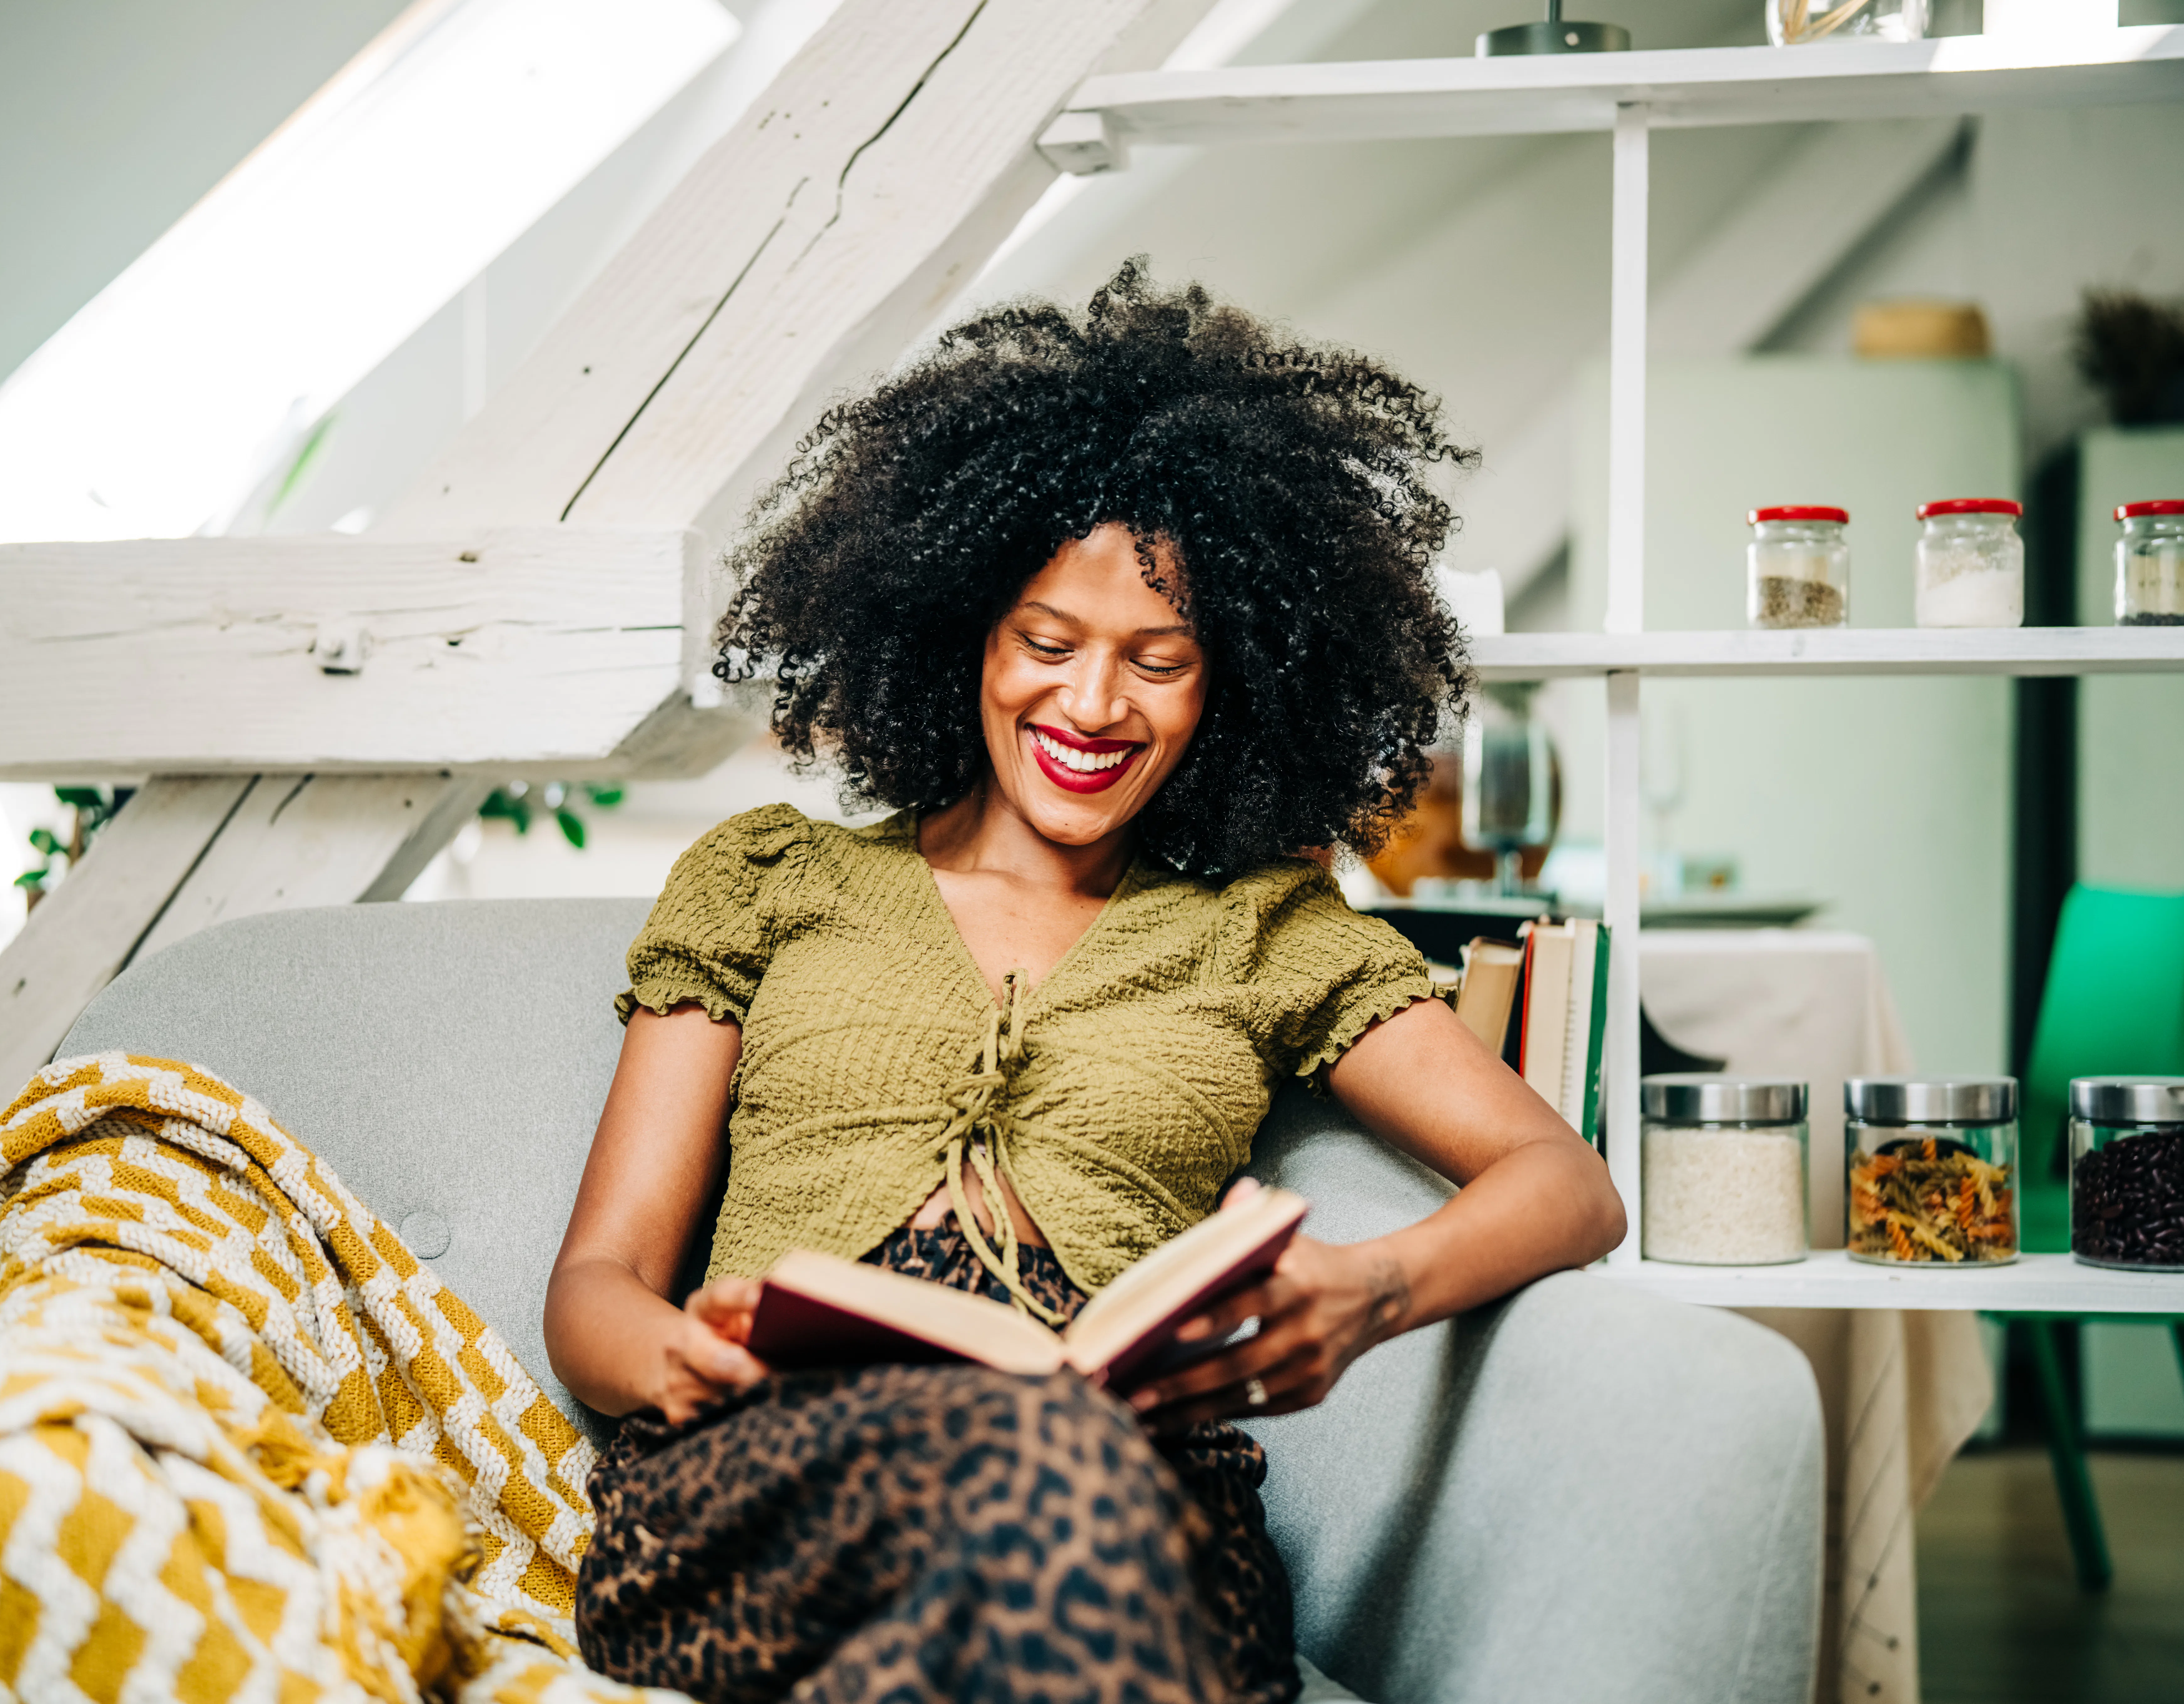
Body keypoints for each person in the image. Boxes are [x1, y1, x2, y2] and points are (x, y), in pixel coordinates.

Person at [543, 261, 1625, 1704]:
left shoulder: (1262, 929)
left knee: (1056, 1472)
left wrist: (1368, 1292)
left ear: (1226, 688)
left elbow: (1567, 1185)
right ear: (959, 642)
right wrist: (685, 1365)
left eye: (1158, 663)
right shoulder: (770, 881)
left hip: (1128, 1499)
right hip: (770, 1482)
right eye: (1046, 645)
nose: (1093, 707)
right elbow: (595, 1285)